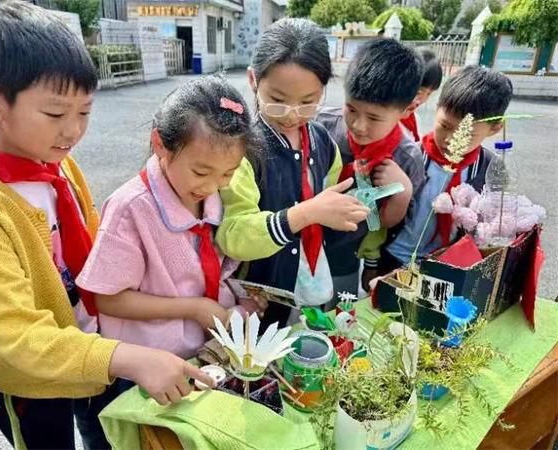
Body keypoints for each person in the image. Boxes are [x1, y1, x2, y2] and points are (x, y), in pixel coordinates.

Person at [0, 3, 213, 449]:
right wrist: (126, 357)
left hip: (93, 346)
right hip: (32, 381)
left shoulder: (59, 164)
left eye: (85, 112)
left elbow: (94, 249)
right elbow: (18, 337)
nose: (73, 131)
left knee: (103, 434)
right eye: (56, 114)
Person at [77, 76, 267, 397]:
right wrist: (194, 308)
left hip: (200, 354)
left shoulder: (214, 195)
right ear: (160, 144)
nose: (211, 186)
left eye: (227, 173)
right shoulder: (131, 209)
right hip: (145, 369)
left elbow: (209, 267)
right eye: (201, 172)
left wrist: (241, 299)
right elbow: (106, 298)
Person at [216, 18, 369, 330]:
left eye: (307, 102)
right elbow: (233, 235)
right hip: (262, 295)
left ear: (323, 90)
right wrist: (306, 213)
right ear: (252, 80)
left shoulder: (323, 141)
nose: (292, 114)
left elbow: (336, 197)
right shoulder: (242, 150)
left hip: (315, 275)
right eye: (277, 100)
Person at [316, 38, 426, 293]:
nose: (358, 126)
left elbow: (387, 225)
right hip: (302, 243)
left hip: (346, 253)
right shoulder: (321, 126)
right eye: (351, 109)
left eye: (374, 117)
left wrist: (403, 192)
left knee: (336, 312)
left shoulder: (407, 159)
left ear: (407, 110)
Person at [382, 65, 513, 270]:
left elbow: (493, 225)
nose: (451, 140)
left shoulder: (490, 170)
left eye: (467, 135)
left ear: (495, 128)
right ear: (437, 109)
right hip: (394, 257)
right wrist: (373, 262)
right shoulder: (409, 156)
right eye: (445, 126)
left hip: (448, 266)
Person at [400, 47, 443, 142]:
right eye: (419, 92)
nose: (421, 100)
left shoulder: (415, 120)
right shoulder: (382, 121)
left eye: (428, 94)